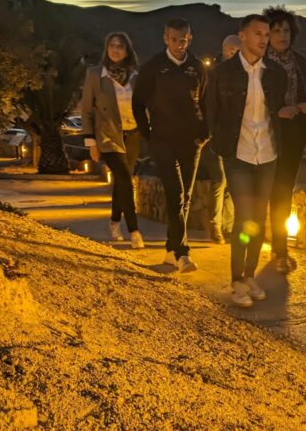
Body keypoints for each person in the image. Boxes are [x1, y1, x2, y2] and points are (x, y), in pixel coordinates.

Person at [205, 15, 288, 307]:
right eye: (258, 33)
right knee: (244, 216)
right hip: (238, 154)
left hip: (267, 153)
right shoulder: (222, 73)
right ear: (242, 36)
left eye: (266, 34)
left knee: (259, 217)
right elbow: (211, 111)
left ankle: (250, 275)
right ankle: (237, 280)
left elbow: (277, 111)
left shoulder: (275, 73)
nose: (264, 39)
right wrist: (220, 142)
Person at [132, 18, 208, 273]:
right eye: (174, 39)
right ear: (165, 38)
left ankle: (170, 250)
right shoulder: (153, 67)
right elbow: (138, 103)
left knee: (185, 196)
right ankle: (182, 252)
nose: (179, 44)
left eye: (183, 40)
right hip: (162, 141)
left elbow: (206, 103)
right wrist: (148, 135)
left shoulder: (197, 67)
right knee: (175, 194)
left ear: (190, 38)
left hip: (191, 142)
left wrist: (205, 134)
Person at [264, 5, 306, 274]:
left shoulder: (302, 63)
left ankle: (280, 250)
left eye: (286, 30)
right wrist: (276, 111)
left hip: (294, 134)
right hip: (265, 134)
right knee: (264, 190)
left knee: (283, 190)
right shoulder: (259, 63)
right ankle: (254, 246)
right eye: (276, 30)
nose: (282, 35)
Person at [81, 31, 145, 249]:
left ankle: (114, 221)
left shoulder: (135, 74)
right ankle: (134, 230)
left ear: (127, 50)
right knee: (125, 179)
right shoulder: (95, 74)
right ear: (106, 49)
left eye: (120, 46)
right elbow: (87, 110)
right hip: (107, 135)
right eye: (112, 46)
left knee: (122, 180)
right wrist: (91, 143)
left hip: (132, 134)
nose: (115, 50)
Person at [197, 35, 241, 243]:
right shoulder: (211, 74)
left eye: (238, 50)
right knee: (220, 180)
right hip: (214, 136)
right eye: (232, 50)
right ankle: (215, 226)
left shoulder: (244, 73)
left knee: (233, 182)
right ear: (225, 50)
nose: (235, 53)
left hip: (237, 137)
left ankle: (229, 227)